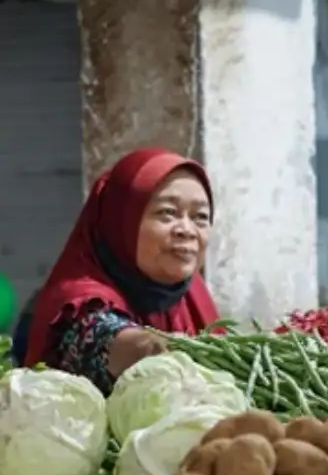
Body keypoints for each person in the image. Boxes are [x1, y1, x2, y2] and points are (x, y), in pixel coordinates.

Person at [24, 147, 219, 392]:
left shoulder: (193, 294)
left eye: (200, 217)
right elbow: (102, 339)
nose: (187, 230)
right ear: (121, 222)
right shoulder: (77, 304)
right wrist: (161, 347)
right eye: (167, 213)